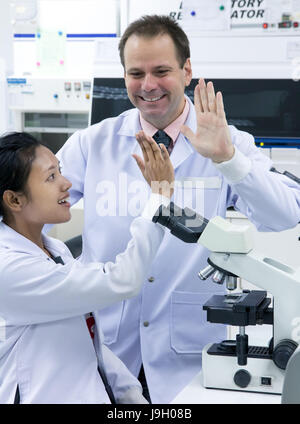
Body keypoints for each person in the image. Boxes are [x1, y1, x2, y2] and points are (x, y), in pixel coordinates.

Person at [56, 15, 300, 403]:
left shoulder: (228, 141)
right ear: (123, 76)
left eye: (161, 71)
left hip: (186, 360)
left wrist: (227, 159)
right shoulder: (93, 144)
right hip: (105, 352)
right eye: (136, 73)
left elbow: (284, 215)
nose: (148, 85)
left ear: (187, 70)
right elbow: (30, 216)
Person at [0, 131, 174, 404]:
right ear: (14, 200)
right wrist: (159, 199)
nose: (67, 183)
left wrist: (131, 396)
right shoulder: (9, 268)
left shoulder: (54, 251)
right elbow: (123, 280)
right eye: (51, 177)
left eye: (60, 172)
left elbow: (90, 343)